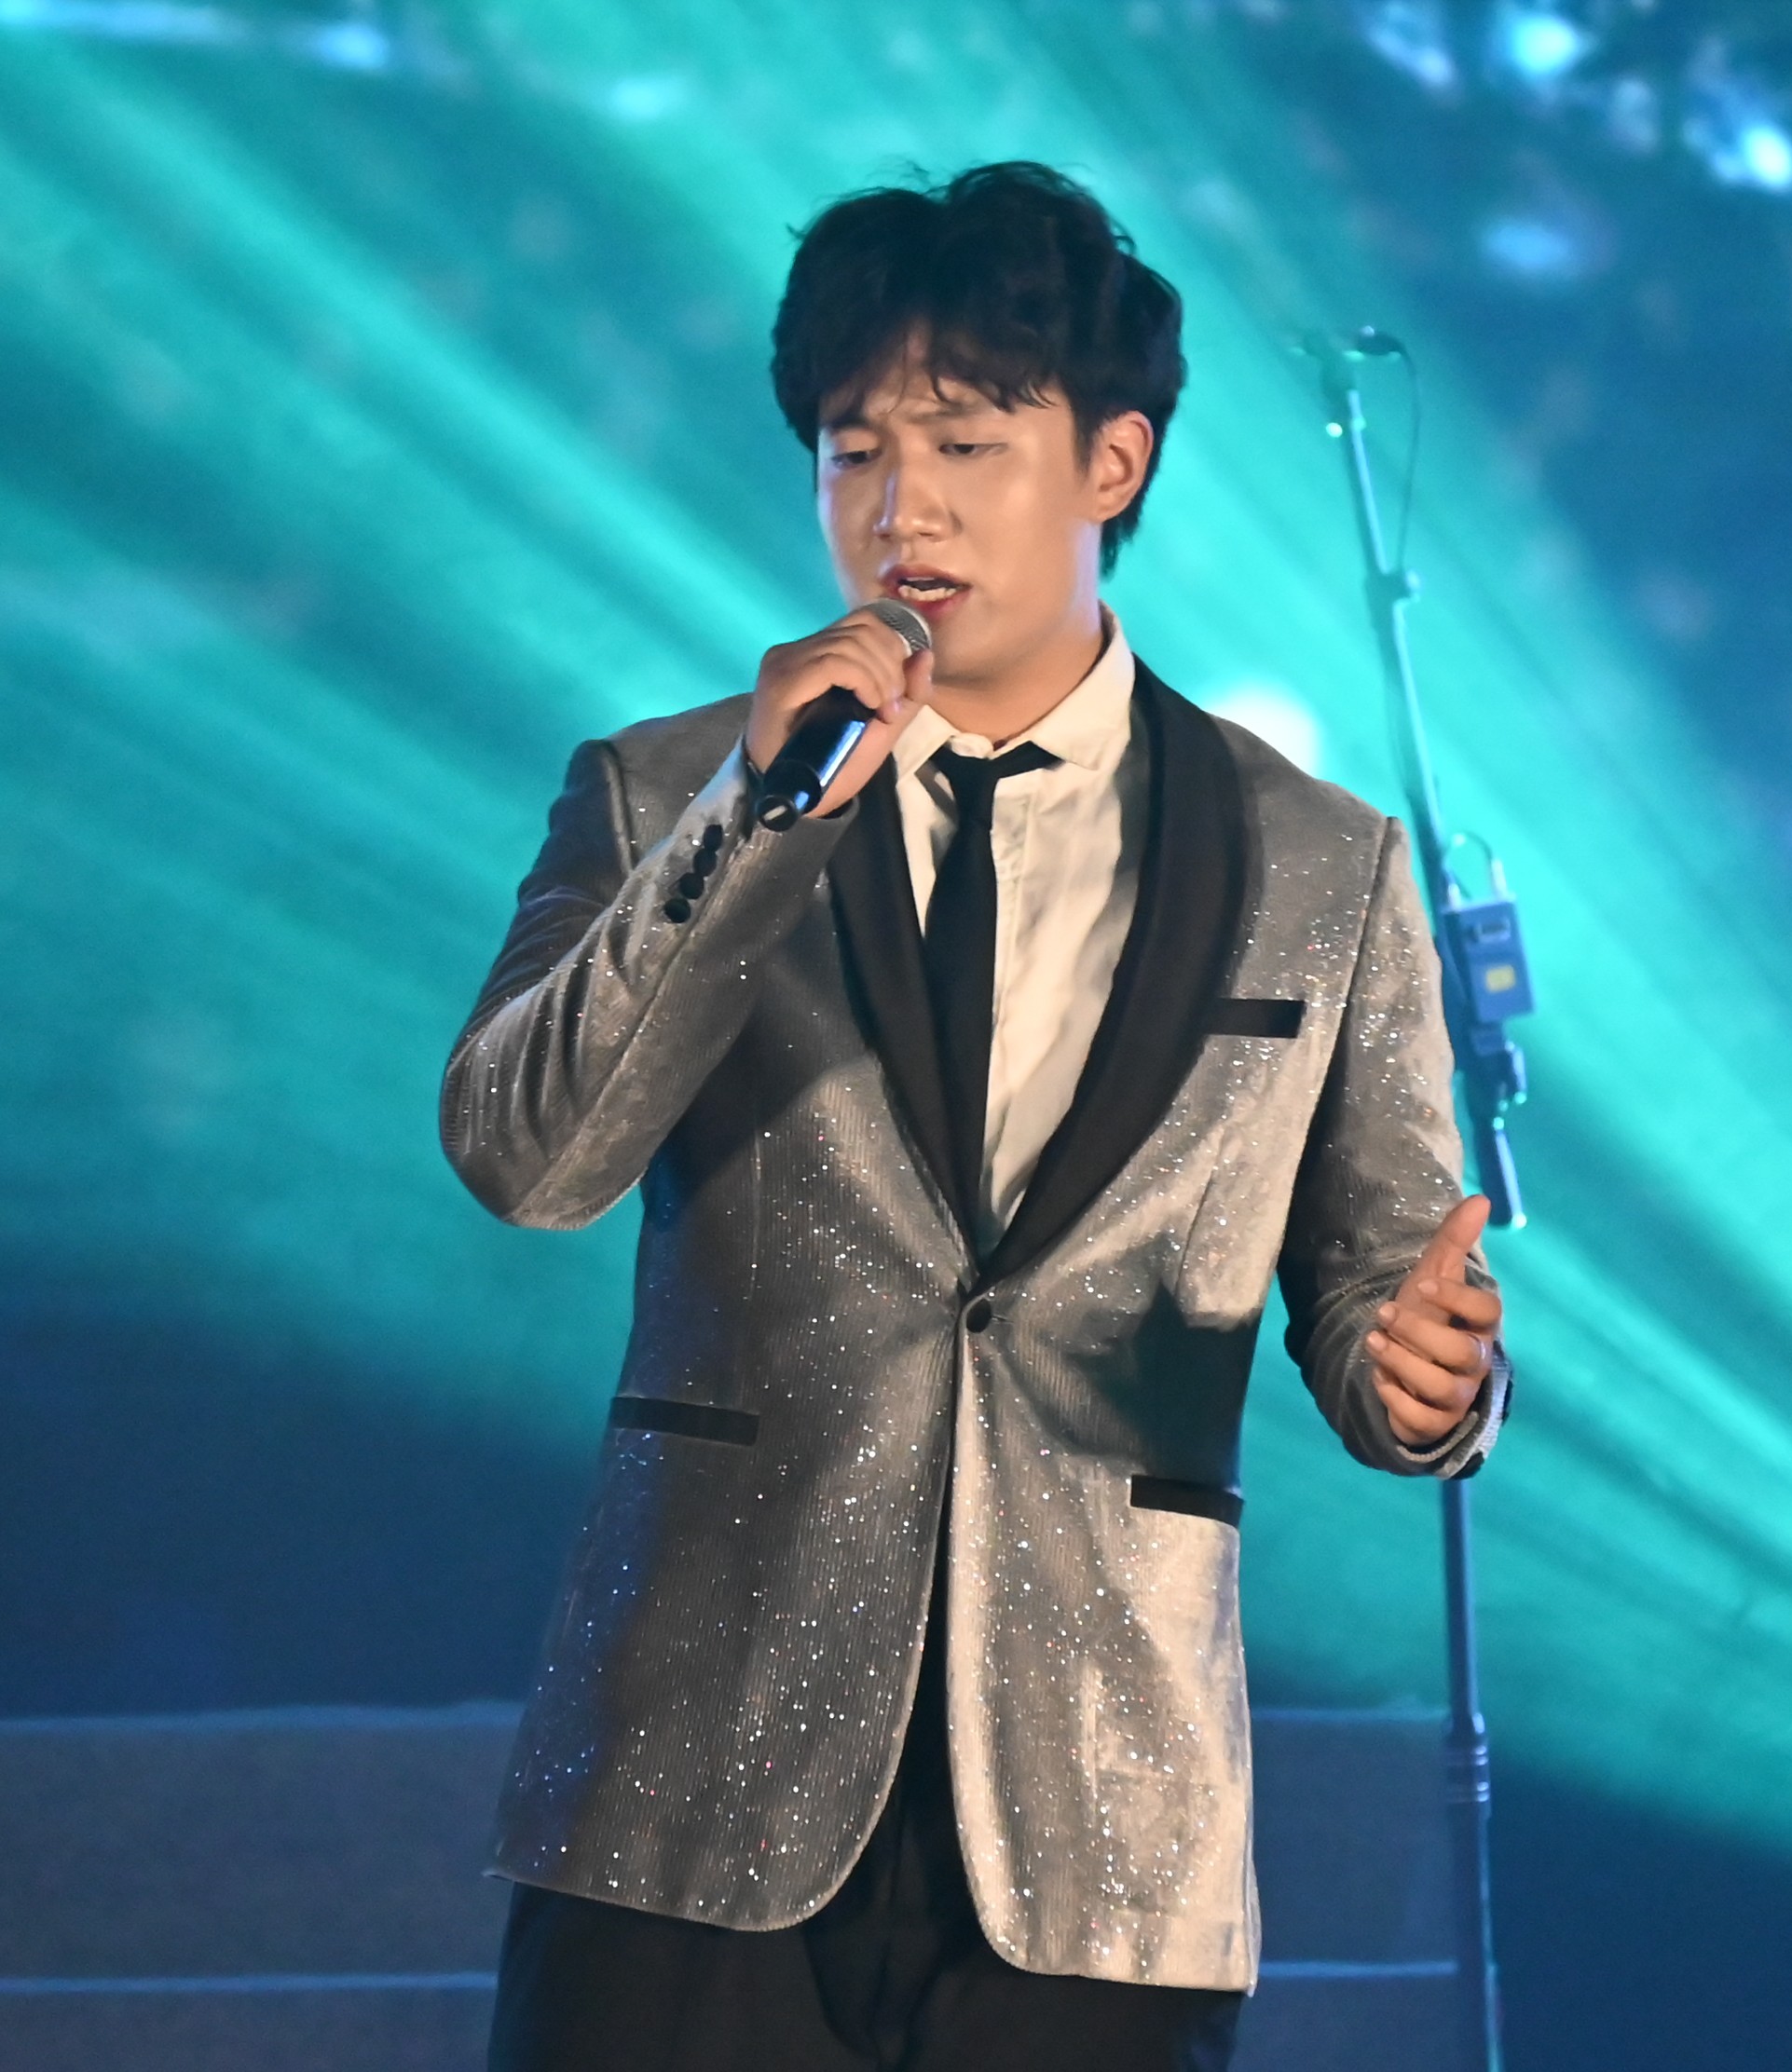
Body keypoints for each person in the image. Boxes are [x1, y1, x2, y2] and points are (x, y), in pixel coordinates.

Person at [443, 161, 1509, 2072]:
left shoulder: (1318, 865)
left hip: (1101, 1821)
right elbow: (526, 1155)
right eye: (853, 450)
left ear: (1111, 462)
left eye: (962, 443)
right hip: (696, 1789)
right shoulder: (668, 790)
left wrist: (1421, 1376)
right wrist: (751, 826)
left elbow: (1375, 1283)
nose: (900, 508)